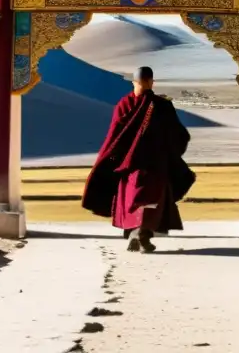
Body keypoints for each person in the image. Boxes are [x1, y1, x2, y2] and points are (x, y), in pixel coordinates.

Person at [82, 66, 195, 252]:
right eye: (143, 82)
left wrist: (112, 157)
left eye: (143, 82)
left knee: (138, 200)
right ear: (148, 82)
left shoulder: (131, 104)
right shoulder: (157, 105)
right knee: (145, 201)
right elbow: (179, 135)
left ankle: (138, 234)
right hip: (146, 166)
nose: (143, 85)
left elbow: (115, 137)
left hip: (136, 166)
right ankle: (141, 234)